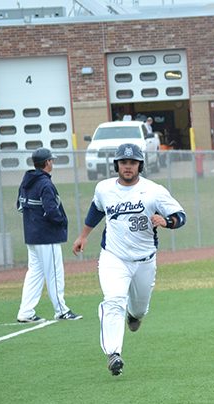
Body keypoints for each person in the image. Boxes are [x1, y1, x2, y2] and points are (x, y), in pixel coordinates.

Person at [72, 143, 186, 376]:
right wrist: (83, 236)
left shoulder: (154, 191)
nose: (127, 166)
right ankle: (113, 354)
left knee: (140, 308)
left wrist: (167, 222)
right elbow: (96, 210)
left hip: (144, 260)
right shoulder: (104, 189)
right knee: (113, 300)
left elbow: (180, 216)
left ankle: (135, 315)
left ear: (139, 165)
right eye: (123, 162)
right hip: (113, 258)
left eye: (132, 162)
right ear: (116, 165)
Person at [15, 147, 81, 323]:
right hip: (46, 236)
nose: (52, 163)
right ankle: (61, 310)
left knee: (35, 273)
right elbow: (51, 210)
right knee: (54, 274)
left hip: (32, 235)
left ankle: (26, 312)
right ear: (47, 163)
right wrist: (60, 221)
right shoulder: (45, 183)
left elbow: (20, 205)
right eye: (51, 160)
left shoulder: (26, 182)